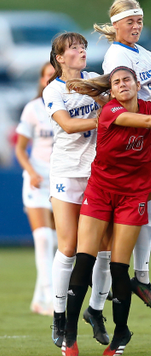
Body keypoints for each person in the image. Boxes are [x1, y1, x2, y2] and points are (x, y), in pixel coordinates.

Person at [61, 66, 151, 356]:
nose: (121, 85)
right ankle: (69, 335)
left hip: (133, 195)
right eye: (116, 82)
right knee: (85, 259)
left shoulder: (149, 104)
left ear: (136, 83)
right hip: (101, 190)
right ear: (112, 89)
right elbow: (147, 121)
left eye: (126, 80)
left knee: (119, 266)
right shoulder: (111, 111)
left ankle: (121, 333)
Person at [93, 0, 151, 312]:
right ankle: (109, 288)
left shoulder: (148, 54)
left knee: (147, 210)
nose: (136, 26)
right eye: (129, 21)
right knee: (111, 224)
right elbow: (121, 97)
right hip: (124, 144)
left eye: (139, 20)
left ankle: (141, 277)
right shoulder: (115, 56)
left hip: (145, 140)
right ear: (116, 24)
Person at [43, 32, 111, 348]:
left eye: (83, 46)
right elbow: (68, 125)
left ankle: (95, 310)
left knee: (104, 246)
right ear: (59, 57)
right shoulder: (53, 90)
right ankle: (59, 316)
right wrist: (102, 118)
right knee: (68, 246)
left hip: (98, 174)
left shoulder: (96, 82)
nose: (81, 50)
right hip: (67, 173)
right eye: (73, 47)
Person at [15, 62, 56, 316]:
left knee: (60, 244)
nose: (51, 80)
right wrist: (31, 172)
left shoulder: (71, 106)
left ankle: (39, 298)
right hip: (37, 179)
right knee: (43, 238)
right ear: (42, 80)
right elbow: (20, 148)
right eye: (48, 76)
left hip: (62, 180)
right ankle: (50, 299)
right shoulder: (33, 109)